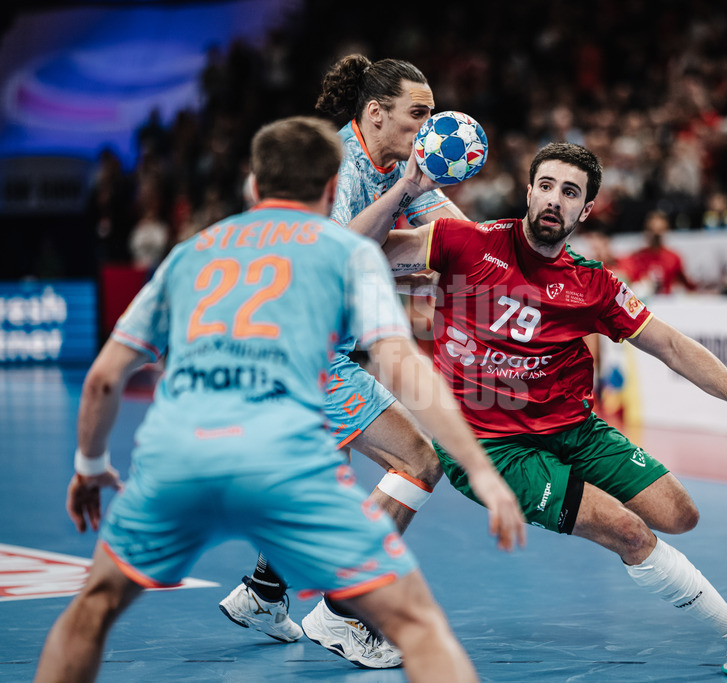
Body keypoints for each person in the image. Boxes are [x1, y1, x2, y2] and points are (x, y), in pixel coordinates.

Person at [34, 116, 525, 683]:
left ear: (252, 187)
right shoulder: (347, 254)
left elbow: (103, 379)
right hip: (281, 463)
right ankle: (327, 614)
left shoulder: (191, 253)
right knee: (418, 626)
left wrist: (90, 465)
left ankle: (265, 590)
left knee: (93, 608)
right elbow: (401, 363)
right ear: (328, 190)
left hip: (179, 459)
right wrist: (480, 469)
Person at [352, 142, 727, 678]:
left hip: (574, 427)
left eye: (569, 192)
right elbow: (359, 254)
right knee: (629, 531)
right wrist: (405, 190)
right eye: (546, 186)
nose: (554, 200)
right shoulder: (464, 242)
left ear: (585, 210)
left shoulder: (592, 284)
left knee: (680, 516)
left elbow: (669, 344)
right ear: (529, 192)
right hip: (489, 444)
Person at [217, 54, 470, 669]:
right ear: (376, 113)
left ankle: (264, 592)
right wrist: (410, 190)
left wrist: (515, 250)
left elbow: (458, 233)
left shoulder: (395, 166)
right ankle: (343, 610)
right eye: (419, 115)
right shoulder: (335, 165)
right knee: (417, 460)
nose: (429, 129)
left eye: (434, 116)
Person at [617, 211, 695, 296]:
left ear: (666, 230)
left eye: (660, 231)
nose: (656, 235)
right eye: (652, 230)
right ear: (646, 231)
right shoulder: (637, 258)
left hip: (666, 303)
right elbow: (628, 281)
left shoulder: (673, 257)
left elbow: (687, 284)